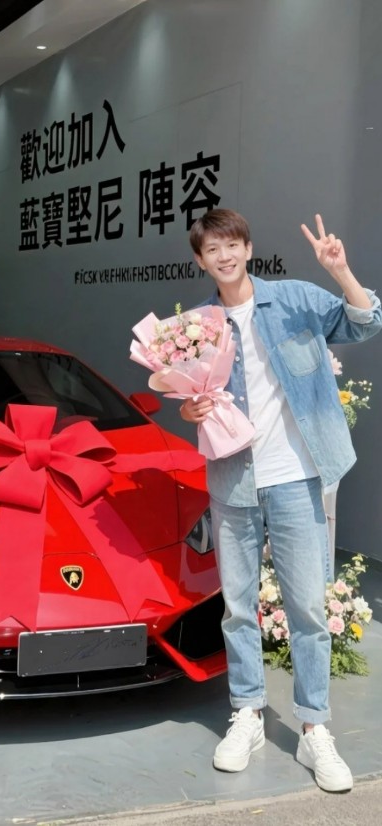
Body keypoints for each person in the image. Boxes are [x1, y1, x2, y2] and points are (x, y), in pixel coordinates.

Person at [181, 208, 381, 793]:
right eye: (211, 249)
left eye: (231, 245)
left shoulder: (294, 299)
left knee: (309, 611)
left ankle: (315, 727)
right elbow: (188, 395)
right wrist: (189, 408)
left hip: (295, 478)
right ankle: (247, 713)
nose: (224, 256)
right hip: (233, 481)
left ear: (248, 248)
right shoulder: (199, 326)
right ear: (200, 260)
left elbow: (366, 322)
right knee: (238, 608)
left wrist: (340, 272)